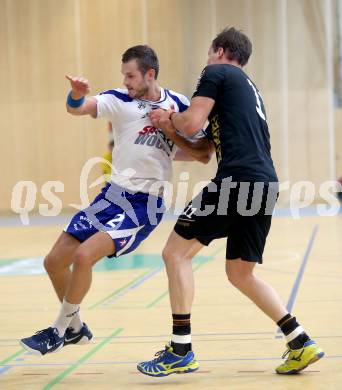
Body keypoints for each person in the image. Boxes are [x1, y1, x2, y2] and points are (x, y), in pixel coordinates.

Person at [137, 28, 324, 377]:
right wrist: (167, 134)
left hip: (237, 180)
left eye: (209, 54)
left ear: (219, 51)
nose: (206, 62)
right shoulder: (244, 90)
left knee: (174, 253)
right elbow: (203, 152)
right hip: (264, 184)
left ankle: (180, 350)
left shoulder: (217, 72)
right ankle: (299, 340)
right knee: (240, 273)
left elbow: (192, 119)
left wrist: (168, 118)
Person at [20, 45, 212, 356]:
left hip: (146, 202)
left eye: (131, 75)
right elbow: (77, 109)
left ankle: (57, 330)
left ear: (150, 74)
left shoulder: (178, 104)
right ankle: (75, 328)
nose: (126, 81)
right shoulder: (120, 100)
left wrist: (167, 141)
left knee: (84, 257)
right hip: (112, 194)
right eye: (124, 75)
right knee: (53, 262)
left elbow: (201, 152)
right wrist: (76, 94)